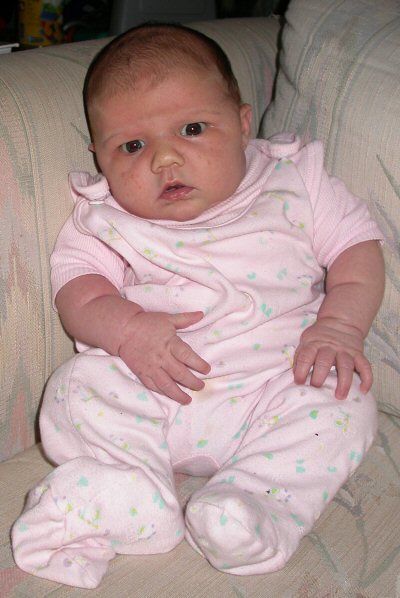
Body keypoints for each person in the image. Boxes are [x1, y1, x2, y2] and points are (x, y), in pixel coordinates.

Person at [12, 23, 385, 588]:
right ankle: (135, 495)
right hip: (156, 393)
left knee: (344, 396)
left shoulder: (293, 180)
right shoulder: (106, 218)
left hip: (275, 386)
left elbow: (357, 249)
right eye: (132, 146)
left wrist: (339, 326)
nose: (165, 158)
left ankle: (253, 505)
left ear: (242, 124)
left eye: (192, 129)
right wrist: (128, 330)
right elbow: (79, 293)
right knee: (78, 383)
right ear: (100, 157)